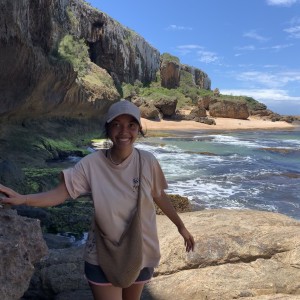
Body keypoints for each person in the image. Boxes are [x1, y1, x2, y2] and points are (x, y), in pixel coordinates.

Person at [0, 99, 195, 300]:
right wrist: (23, 199)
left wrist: (180, 226)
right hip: (102, 254)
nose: (124, 131)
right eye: (116, 124)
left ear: (138, 129)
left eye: (131, 125)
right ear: (108, 128)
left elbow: (158, 195)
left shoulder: (147, 161)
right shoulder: (90, 164)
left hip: (141, 251)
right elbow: (60, 193)